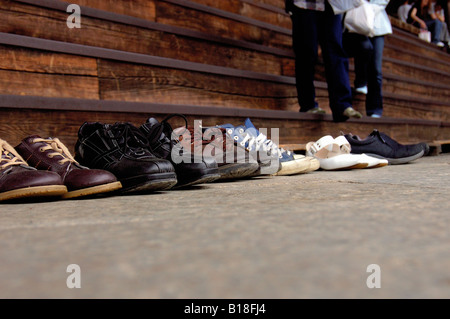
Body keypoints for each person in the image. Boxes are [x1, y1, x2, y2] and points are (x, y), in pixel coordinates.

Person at [285, 0, 363, 122]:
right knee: (306, 52)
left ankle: (342, 105)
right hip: (304, 5)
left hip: (331, 6)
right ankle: (308, 104)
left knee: (336, 51)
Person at [343, 0, 392, 118]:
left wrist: (368, 9)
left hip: (377, 23)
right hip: (357, 22)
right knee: (364, 49)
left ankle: (375, 109)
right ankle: (360, 81)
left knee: (376, 69)